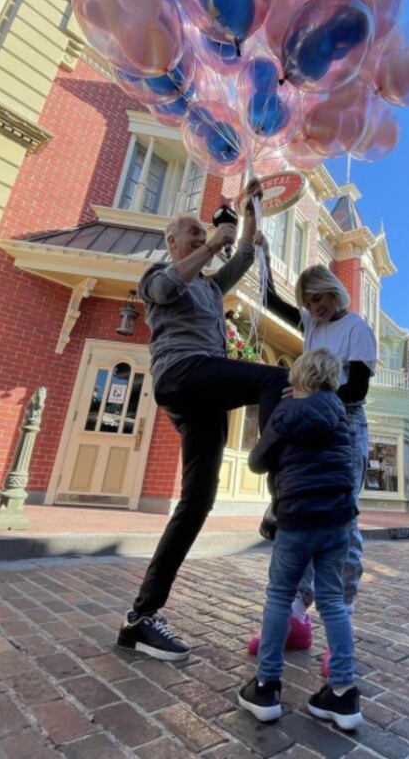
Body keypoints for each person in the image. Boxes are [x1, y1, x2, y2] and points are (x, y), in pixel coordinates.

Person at [117, 180, 290, 661]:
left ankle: (141, 617)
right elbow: (172, 285)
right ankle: (280, 495)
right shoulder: (156, 274)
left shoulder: (213, 287)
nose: (201, 236)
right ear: (173, 242)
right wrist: (215, 239)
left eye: (203, 233)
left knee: (197, 502)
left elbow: (249, 253)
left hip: (204, 395)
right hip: (181, 374)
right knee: (273, 381)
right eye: (192, 232)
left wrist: (250, 210)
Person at [248, 261, 376, 672]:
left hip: (344, 423)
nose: (312, 307)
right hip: (307, 419)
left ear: (333, 291)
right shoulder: (312, 325)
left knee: (342, 521)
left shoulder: (356, 328)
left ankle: (342, 627)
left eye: (317, 298)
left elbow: (356, 388)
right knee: (301, 518)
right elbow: (270, 298)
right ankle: (296, 619)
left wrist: (310, 388)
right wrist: (261, 250)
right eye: (307, 302)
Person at [238, 349, 363, 731]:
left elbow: (257, 461)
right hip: (338, 519)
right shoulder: (341, 415)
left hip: (298, 518)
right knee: (331, 601)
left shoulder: (287, 412)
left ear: (299, 378)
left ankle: (266, 686)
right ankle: (342, 692)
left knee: (279, 595)